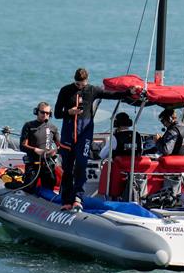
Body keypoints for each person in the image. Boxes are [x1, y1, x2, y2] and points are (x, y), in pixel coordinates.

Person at [55, 68, 139, 211]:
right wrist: (69, 112)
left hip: (85, 134)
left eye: (82, 84)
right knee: (68, 170)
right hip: (68, 135)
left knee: (81, 166)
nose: (80, 86)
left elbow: (111, 94)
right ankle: (66, 200)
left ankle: (78, 198)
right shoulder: (65, 90)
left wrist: (128, 92)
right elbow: (57, 114)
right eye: (77, 84)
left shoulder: (92, 90)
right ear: (74, 80)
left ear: (87, 81)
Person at [19, 101, 60, 193]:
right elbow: (22, 146)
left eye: (48, 113)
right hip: (33, 163)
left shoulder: (53, 128)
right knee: (28, 188)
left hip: (48, 164)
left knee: (49, 188)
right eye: (42, 112)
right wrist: (35, 150)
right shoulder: (28, 126)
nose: (45, 115)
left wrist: (55, 150)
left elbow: (59, 146)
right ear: (36, 112)